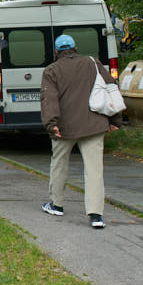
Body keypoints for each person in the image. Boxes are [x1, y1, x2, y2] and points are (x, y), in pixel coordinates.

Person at [40, 34, 122, 229]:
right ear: (75, 48)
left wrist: (52, 125)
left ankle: (56, 204)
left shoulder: (51, 70)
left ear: (57, 52)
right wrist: (115, 120)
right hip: (94, 124)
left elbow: (49, 99)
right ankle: (96, 215)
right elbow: (111, 88)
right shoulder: (93, 63)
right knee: (94, 169)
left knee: (59, 164)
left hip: (64, 127)